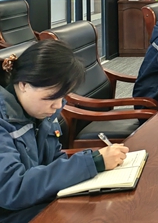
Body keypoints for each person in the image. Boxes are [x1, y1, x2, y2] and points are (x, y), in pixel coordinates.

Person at [0, 41, 129, 216]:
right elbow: (12, 188)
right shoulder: (5, 119)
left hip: (39, 203)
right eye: (50, 98)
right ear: (23, 84)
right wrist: (91, 163)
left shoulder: (40, 112)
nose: (57, 105)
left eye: (62, 97)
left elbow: (54, 161)